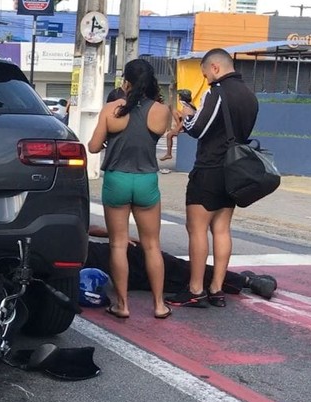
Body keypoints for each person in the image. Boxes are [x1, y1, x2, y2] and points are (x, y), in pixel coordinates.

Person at [169, 48, 258, 309]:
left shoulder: (217, 92)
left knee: (196, 229)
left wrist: (186, 117)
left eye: (205, 72)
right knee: (221, 229)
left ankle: (195, 289)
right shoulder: (250, 96)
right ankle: (217, 288)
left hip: (209, 169)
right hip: (233, 172)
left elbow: (198, 129)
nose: (206, 78)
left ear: (216, 68)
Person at [88, 58, 173, 319]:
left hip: (117, 180)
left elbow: (92, 146)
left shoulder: (112, 109)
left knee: (117, 245)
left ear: (125, 82)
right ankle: (159, 305)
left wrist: (109, 143)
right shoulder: (161, 110)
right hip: (146, 180)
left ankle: (122, 305)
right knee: (151, 245)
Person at [86, 225, 277, 300]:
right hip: (121, 259)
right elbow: (88, 227)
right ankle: (245, 281)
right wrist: (117, 236)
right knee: (180, 270)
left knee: (175, 278)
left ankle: (243, 281)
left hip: (114, 273)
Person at [160, 89, 196, 161]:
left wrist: (177, 129)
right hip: (187, 124)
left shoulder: (187, 108)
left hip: (187, 127)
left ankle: (169, 154)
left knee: (169, 135)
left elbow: (185, 121)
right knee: (174, 111)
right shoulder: (190, 105)